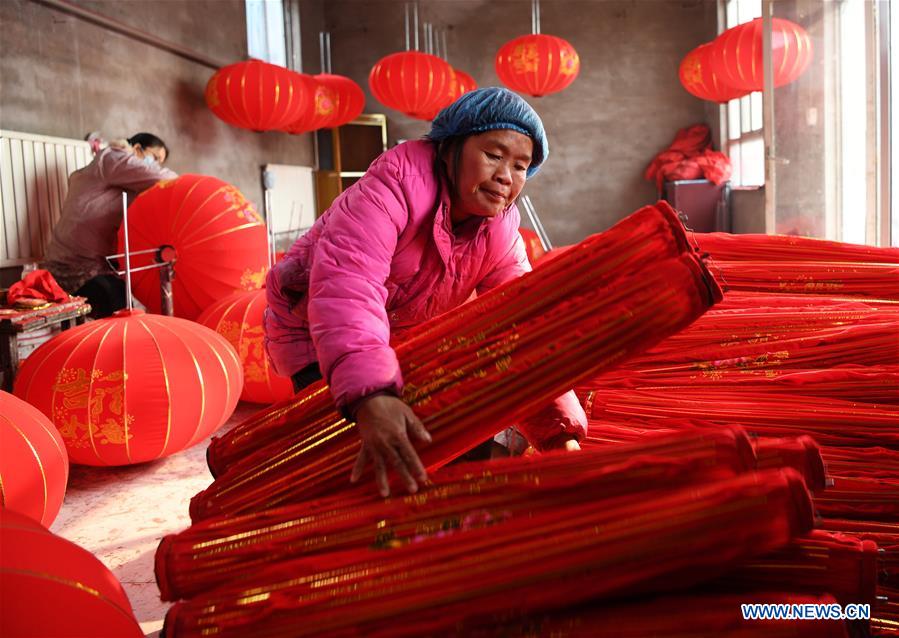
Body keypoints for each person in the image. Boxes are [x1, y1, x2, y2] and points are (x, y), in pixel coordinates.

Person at [264, 87, 587, 497]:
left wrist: (559, 432)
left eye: (521, 166)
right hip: (318, 332)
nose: (506, 176)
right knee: (346, 463)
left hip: (402, 336)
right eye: (493, 155)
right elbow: (349, 287)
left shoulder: (501, 228)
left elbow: (523, 325)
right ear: (450, 148)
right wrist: (371, 395)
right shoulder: (392, 187)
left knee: (451, 444)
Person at [42, 132, 177, 317]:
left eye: (159, 162)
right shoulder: (113, 158)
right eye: (154, 158)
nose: (155, 165)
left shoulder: (126, 177)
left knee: (129, 300)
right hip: (72, 266)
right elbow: (166, 179)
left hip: (98, 265)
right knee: (118, 303)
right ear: (137, 149)